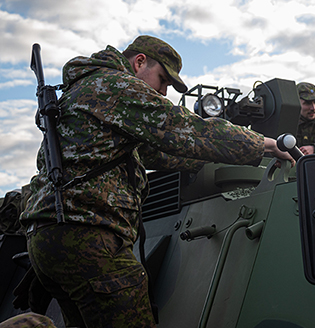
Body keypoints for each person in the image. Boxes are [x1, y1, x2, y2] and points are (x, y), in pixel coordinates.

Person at [19, 35, 293, 328]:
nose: (163, 92)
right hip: (87, 236)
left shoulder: (85, 90)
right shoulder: (116, 87)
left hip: (48, 236)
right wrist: (263, 145)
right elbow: (184, 128)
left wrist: (218, 158)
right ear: (139, 63)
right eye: (163, 80)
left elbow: (155, 152)